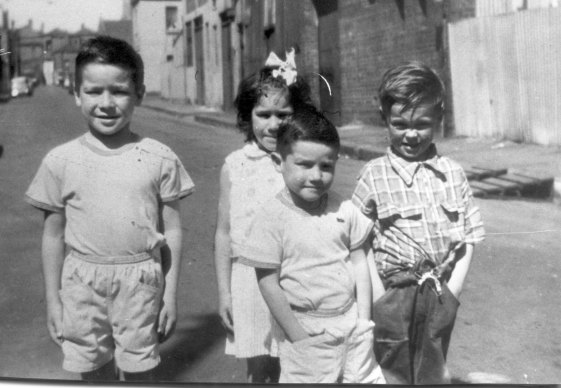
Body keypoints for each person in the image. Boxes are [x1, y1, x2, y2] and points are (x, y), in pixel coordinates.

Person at [25, 36, 195, 381]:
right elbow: (52, 237)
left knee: (140, 373)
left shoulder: (159, 157)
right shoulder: (60, 161)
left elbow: (173, 230)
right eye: (93, 91)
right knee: (93, 374)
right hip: (81, 284)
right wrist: (53, 301)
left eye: (119, 91)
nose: (106, 103)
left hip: (141, 284)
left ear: (139, 95)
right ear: (76, 93)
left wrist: (170, 294)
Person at [351, 61, 485, 384]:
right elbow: (358, 241)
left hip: (439, 291)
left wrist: (452, 293)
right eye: (399, 124)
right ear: (385, 119)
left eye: (422, 124)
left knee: (433, 373)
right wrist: (379, 297)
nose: (410, 134)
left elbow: (469, 237)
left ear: (438, 120)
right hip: (393, 293)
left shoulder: (453, 173)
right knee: (391, 373)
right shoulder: (374, 174)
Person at [237, 106, 386, 384]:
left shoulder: (343, 207)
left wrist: (364, 321)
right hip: (305, 329)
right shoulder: (272, 217)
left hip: (351, 326)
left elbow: (359, 261)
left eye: (326, 166)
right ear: (279, 162)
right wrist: (299, 337)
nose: (316, 176)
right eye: (304, 165)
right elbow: (268, 283)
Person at [214, 49, 313, 383]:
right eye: (264, 114)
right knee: (259, 368)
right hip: (249, 279)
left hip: (296, 277)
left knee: (299, 363)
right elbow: (224, 233)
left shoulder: (302, 162)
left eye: (284, 114)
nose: (274, 124)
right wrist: (225, 293)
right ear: (248, 116)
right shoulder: (235, 166)